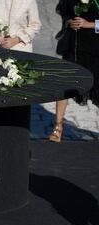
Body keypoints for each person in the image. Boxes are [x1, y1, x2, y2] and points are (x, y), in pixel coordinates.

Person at [49, 0, 99, 142]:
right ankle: (58, 127)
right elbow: (65, 15)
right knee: (64, 84)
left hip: (96, 50)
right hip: (73, 48)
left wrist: (89, 24)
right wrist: (70, 22)